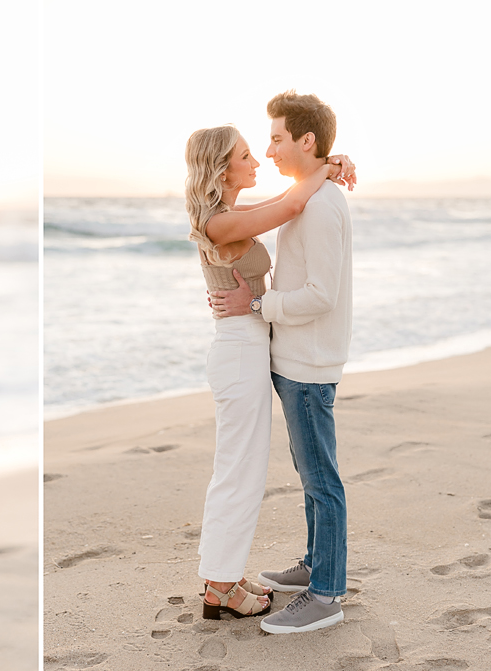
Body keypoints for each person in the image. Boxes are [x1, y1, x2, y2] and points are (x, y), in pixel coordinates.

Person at [184, 110, 354, 622]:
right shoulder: (222, 220)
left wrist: (328, 164)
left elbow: (289, 200)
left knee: (243, 469)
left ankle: (223, 579)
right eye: (244, 156)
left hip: (251, 348)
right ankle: (220, 585)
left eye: (265, 146)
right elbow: (295, 201)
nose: (258, 158)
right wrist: (325, 166)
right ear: (221, 171)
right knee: (239, 472)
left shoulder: (232, 211)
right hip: (240, 351)